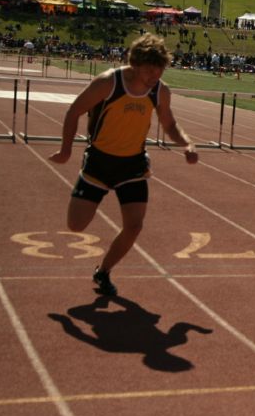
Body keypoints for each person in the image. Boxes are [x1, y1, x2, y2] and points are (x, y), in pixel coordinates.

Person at [49, 33, 198, 296]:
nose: (155, 76)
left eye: (159, 70)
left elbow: (170, 124)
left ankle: (103, 271)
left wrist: (186, 144)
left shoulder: (160, 91)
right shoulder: (109, 83)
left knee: (135, 225)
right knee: (76, 225)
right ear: (136, 63)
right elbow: (74, 111)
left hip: (133, 166)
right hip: (100, 162)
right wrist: (65, 150)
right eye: (150, 70)